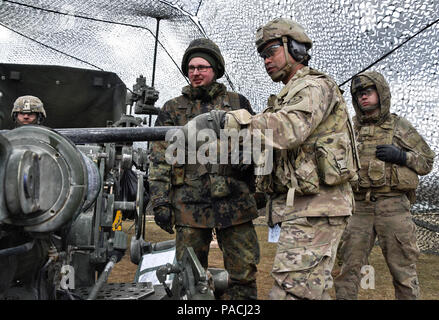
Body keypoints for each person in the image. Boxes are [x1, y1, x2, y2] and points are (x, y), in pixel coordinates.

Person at [183, 18, 359, 300]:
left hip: (316, 207)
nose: (266, 60)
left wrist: (226, 121)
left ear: (295, 48)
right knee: (313, 291)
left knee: (291, 291)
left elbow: (288, 129)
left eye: (272, 51)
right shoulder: (288, 94)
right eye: (262, 55)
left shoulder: (313, 87)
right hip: (306, 206)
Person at [148, 38, 260, 300]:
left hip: (235, 202)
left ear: (216, 69)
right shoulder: (172, 109)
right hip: (189, 204)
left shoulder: (237, 103)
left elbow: (260, 146)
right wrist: (161, 201)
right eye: (191, 67)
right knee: (188, 276)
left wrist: (258, 187)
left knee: (243, 273)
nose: (196, 72)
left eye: (202, 67)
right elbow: (159, 158)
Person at [334, 71, 435, 300]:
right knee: (348, 270)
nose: (363, 98)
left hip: (393, 207)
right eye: (359, 94)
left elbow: (427, 161)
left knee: (403, 273)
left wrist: (401, 157)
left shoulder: (398, 126)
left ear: (381, 93)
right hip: (359, 208)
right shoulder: (352, 129)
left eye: (368, 92)